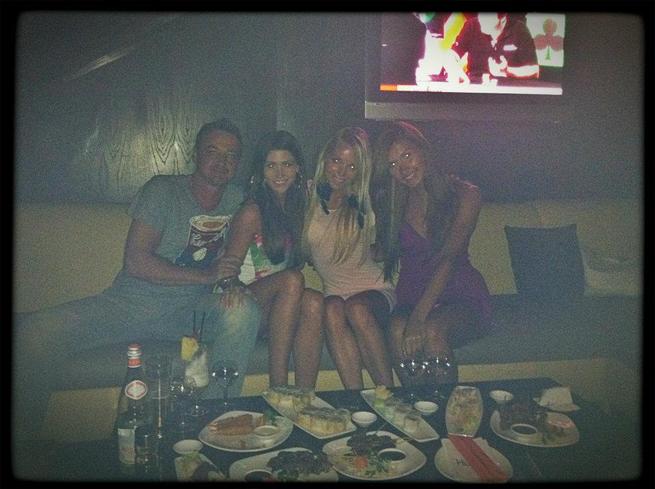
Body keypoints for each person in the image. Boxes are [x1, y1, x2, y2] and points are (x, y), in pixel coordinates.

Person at [13, 118, 261, 444]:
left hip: (190, 315)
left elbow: (260, 232)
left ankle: (215, 425)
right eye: (212, 151)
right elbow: (137, 262)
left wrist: (233, 284)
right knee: (36, 331)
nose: (222, 161)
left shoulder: (238, 200)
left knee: (244, 311)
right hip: (130, 305)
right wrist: (205, 275)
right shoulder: (163, 191)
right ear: (195, 154)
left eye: (231, 155)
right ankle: (24, 446)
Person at [372, 121, 492, 386]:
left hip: (459, 294)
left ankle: (446, 409)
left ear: (423, 150)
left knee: (433, 330)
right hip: (412, 294)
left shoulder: (465, 195)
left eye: (407, 155)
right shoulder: (394, 203)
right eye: (393, 164)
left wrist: (419, 317)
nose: (403, 169)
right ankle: (416, 406)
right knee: (395, 330)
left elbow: (449, 258)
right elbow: (381, 252)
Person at [211, 130, 324, 389]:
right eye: (271, 166)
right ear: (261, 171)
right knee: (292, 280)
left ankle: (305, 396)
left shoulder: (298, 208)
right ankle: (278, 388)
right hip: (240, 305)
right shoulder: (252, 212)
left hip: (277, 306)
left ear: (298, 169)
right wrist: (232, 286)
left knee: (315, 301)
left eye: (287, 164)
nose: (280, 173)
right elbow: (228, 269)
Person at [302, 127, 395, 390]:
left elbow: (388, 241)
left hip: (374, 291)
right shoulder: (306, 195)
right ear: (325, 159)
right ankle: (356, 397)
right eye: (336, 161)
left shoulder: (365, 201)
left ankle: (389, 396)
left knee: (356, 308)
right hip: (335, 293)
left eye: (352, 166)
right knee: (331, 307)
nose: (342, 172)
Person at [444, 12, 539, 84]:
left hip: (508, 89)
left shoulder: (519, 30)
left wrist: (508, 71)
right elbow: (451, 55)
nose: (480, 20)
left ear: (503, 19)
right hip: (475, 86)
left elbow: (534, 71)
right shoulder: (471, 25)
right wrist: (453, 69)